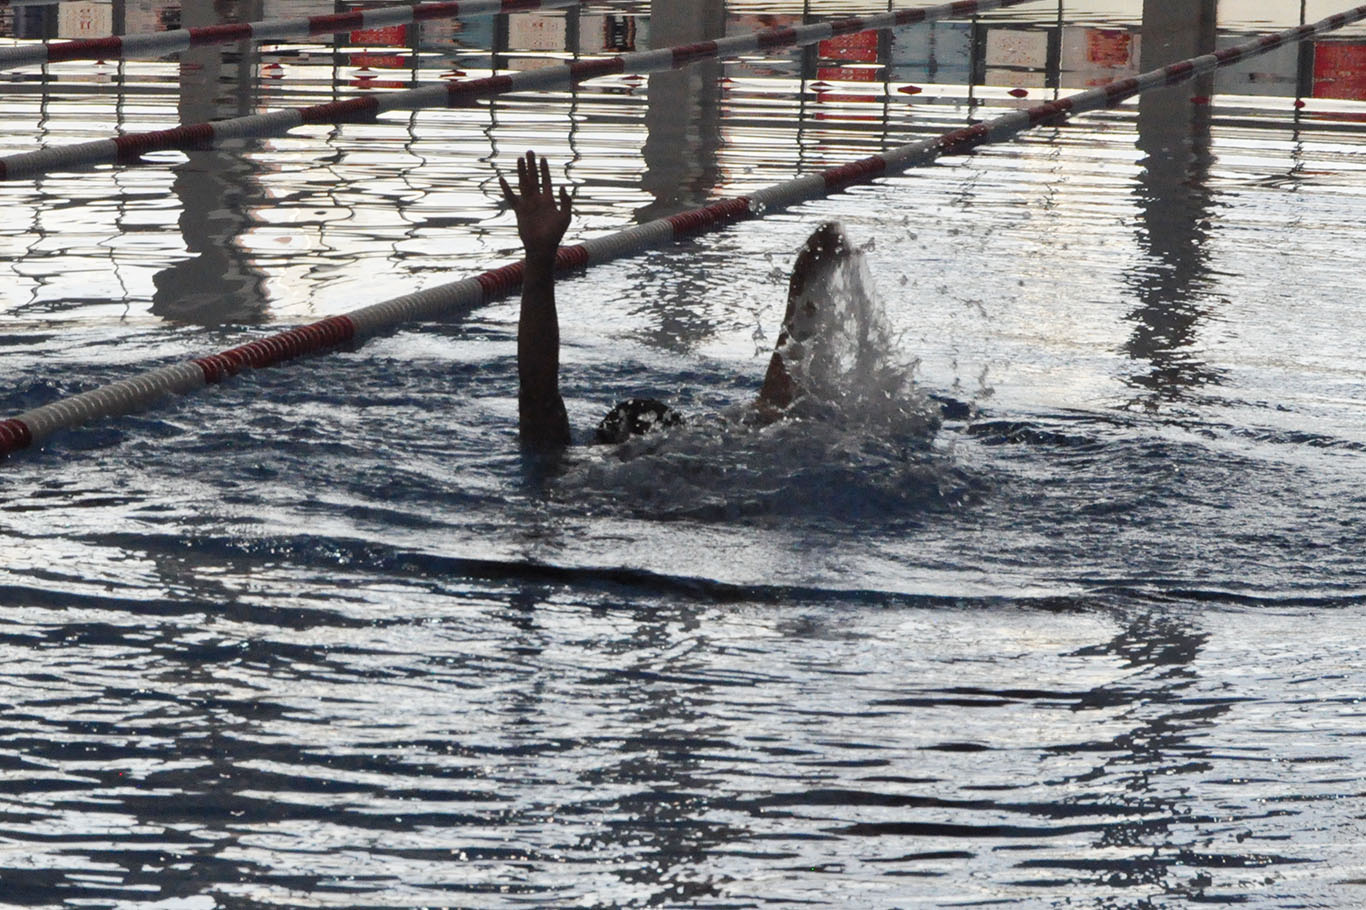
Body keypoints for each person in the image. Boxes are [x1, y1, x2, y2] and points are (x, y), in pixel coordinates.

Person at [499, 150, 848, 453]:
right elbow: (536, 391)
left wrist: (540, 258)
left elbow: (537, 389)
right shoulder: (706, 461)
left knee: (764, 420)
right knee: (763, 420)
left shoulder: (575, 476)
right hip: (714, 461)